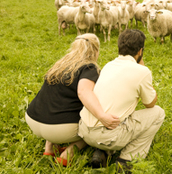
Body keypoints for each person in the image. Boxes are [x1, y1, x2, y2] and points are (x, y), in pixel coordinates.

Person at [25, 33, 120, 166]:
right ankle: (68, 153)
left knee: (56, 102)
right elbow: (83, 92)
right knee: (93, 126)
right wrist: (102, 116)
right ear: (95, 50)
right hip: (57, 128)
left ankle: (49, 149)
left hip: (33, 119)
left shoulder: (60, 64)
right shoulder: (88, 68)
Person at [78, 29, 165, 171]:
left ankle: (102, 152)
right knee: (158, 113)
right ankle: (127, 159)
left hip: (84, 131)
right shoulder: (142, 72)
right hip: (108, 136)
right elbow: (150, 103)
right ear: (140, 51)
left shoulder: (108, 65)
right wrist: (142, 67)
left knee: (121, 109)